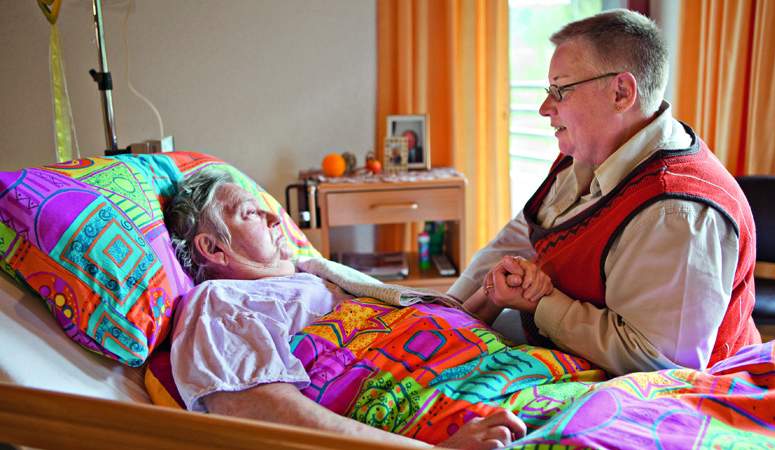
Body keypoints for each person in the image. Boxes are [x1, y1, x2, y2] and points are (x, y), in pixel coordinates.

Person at [449, 9, 760, 376]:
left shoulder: (677, 213)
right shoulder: (588, 152)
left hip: (675, 401)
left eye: (560, 90)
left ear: (621, 92)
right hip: (575, 358)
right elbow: (520, 237)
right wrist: (449, 311)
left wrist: (542, 302)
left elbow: (662, 366)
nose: (545, 108)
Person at [164, 170, 532, 450]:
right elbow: (271, 416)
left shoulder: (316, 273)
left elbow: (422, 332)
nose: (275, 218)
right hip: (442, 419)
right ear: (213, 249)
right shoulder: (219, 303)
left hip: (495, 373)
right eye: (251, 213)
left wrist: (491, 298)